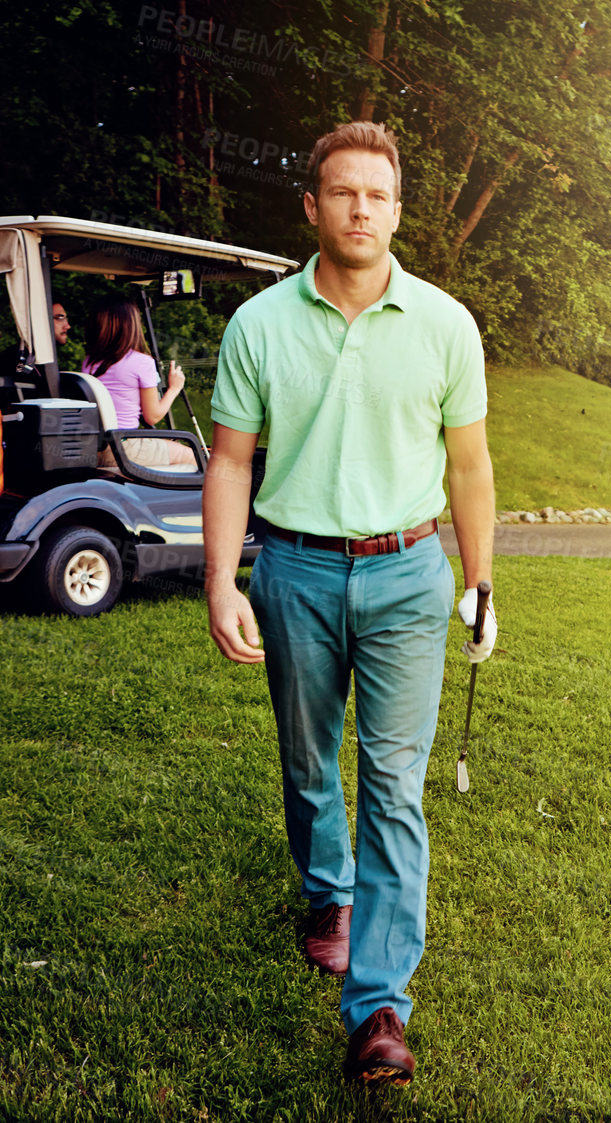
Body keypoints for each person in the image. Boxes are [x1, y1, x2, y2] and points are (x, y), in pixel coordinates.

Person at [202, 120, 496, 1086]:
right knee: (307, 760)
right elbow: (233, 460)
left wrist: (481, 580)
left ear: (398, 210)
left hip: (410, 574)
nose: (360, 208)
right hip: (294, 569)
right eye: (342, 192)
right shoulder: (258, 324)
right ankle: (326, 891)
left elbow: (470, 464)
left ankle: (377, 1008)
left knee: (395, 785)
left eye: (376, 193)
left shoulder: (447, 323)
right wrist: (220, 577)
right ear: (312, 206)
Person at [80, 297, 185, 431]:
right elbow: (152, 417)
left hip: (95, 443)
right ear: (132, 326)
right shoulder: (142, 362)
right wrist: (174, 388)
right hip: (124, 442)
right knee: (191, 452)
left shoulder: (89, 362)